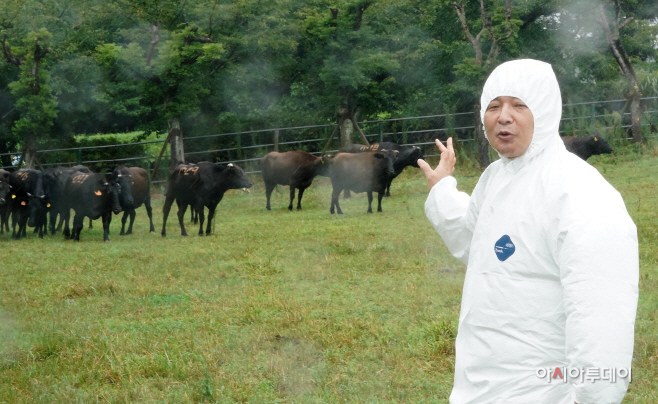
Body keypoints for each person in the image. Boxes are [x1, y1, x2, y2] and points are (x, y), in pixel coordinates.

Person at [418, 59, 638, 404]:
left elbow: (602, 319)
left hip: (544, 392)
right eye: (493, 106)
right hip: (478, 387)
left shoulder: (581, 195)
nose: (504, 116)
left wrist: (596, 396)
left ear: (546, 111)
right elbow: (474, 240)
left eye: (519, 105)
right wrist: (443, 191)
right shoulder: (496, 176)